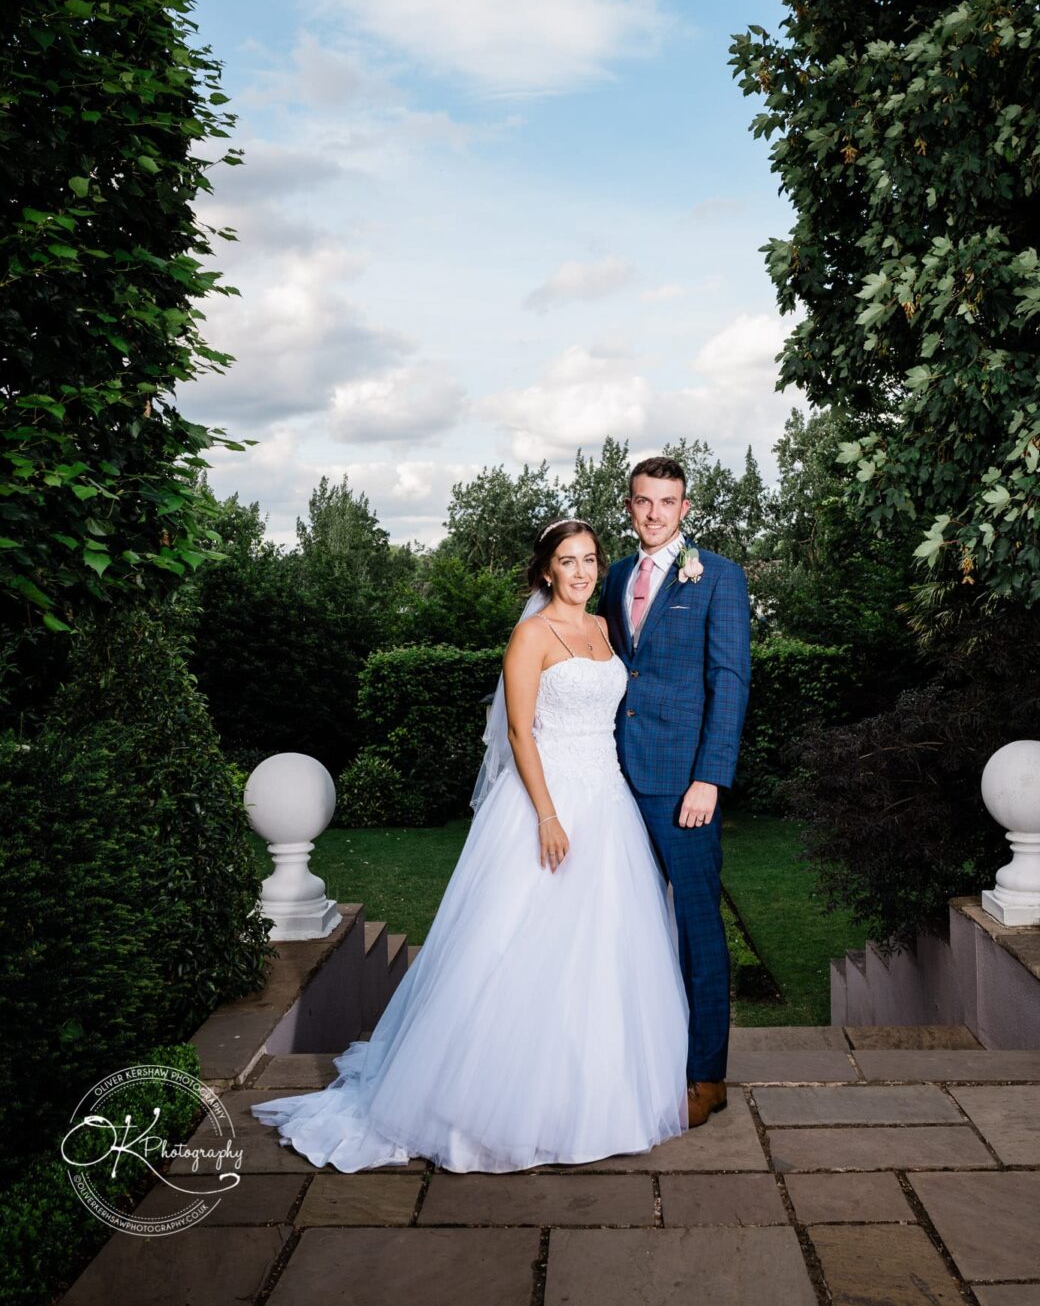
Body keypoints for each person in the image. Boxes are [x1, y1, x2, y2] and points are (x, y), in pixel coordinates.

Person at [249, 518, 690, 1173]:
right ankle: (487, 1099)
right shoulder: (530, 635)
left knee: (603, 946)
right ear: (545, 570)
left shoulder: (601, 630)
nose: (580, 571)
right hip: (548, 801)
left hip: (607, 800)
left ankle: (597, 1095)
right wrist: (546, 815)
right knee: (518, 943)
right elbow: (519, 734)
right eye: (567, 561)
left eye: (590, 559)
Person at [596, 455, 752, 1128]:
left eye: (668, 501)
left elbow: (730, 680)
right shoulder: (610, 578)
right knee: (614, 924)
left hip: (680, 785)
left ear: (685, 508)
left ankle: (703, 1076)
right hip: (608, 780)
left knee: (695, 928)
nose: (655, 512)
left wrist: (708, 778)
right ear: (627, 507)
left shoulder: (717, 577)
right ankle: (626, 1057)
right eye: (643, 501)